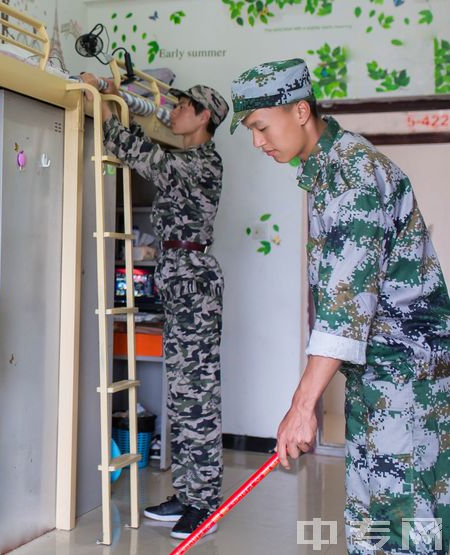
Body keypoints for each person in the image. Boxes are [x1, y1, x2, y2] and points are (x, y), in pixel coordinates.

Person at [230, 58, 450, 554]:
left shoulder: (352, 173)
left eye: (261, 126)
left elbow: (346, 306)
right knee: (372, 521)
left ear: (301, 110)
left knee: (407, 529)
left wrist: (302, 407)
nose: (257, 142)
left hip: (407, 385)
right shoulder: (328, 171)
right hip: (380, 380)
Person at [80, 73, 229, 539]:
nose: (178, 110)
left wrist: (102, 105)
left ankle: (204, 504)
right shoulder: (188, 157)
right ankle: (187, 494)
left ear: (205, 118)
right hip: (180, 279)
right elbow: (153, 133)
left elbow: (142, 154)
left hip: (195, 286)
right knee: (183, 395)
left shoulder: (203, 163)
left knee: (197, 397)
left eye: (187, 105)